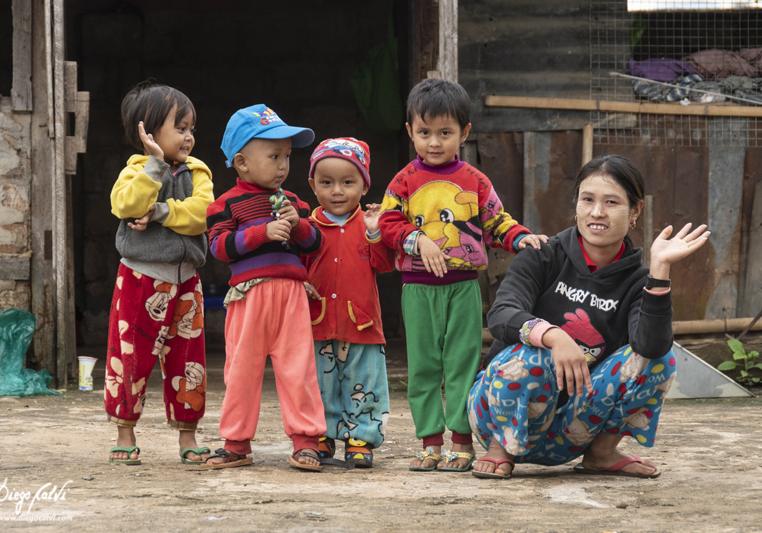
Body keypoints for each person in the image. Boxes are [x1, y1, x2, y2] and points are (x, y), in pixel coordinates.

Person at [468, 154, 709, 479]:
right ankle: (500, 448)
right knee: (535, 355)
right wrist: (554, 336)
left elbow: (651, 348)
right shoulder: (542, 255)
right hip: (497, 416)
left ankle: (601, 453)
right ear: (577, 204)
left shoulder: (638, 282)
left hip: (571, 433)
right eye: (588, 200)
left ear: (635, 211)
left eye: (611, 202)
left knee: (661, 360)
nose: (597, 212)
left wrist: (659, 272)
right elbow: (501, 314)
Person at [377, 78, 547, 472]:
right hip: (417, 288)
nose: (433, 142)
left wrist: (522, 238)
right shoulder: (403, 181)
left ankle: (461, 440)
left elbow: (496, 222)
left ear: (464, 133)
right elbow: (387, 223)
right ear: (410, 133)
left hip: (463, 288)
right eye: (424, 133)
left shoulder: (475, 181)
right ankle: (429, 441)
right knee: (423, 366)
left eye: (445, 133)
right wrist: (417, 240)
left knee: (462, 365)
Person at [203, 104, 326, 472]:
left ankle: (307, 442)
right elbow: (219, 247)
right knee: (241, 371)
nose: (284, 165)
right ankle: (236, 443)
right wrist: (262, 233)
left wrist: (299, 225)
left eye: (287, 156)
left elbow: (316, 244)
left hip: (291, 297)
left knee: (299, 369)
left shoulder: (294, 202)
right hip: (249, 297)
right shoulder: (225, 205)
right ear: (241, 163)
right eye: (274, 156)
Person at [106, 82, 214, 466]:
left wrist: (163, 213)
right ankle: (125, 432)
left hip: (187, 282)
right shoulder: (135, 171)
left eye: (191, 128)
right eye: (180, 127)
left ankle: (188, 437)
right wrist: (153, 165)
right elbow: (128, 205)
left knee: (189, 363)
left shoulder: (198, 171)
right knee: (130, 358)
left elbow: (203, 213)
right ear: (148, 133)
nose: (189, 136)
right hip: (140, 278)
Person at [302, 138, 396, 468]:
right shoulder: (308, 227)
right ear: (313, 185)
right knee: (320, 382)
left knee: (364, 382)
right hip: (318, 322)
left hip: (363, 323)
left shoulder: (369, 224)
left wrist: (374, 234)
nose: (337, 191)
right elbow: (296, 265)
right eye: (327, 183)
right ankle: (322, 435)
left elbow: (385, 265)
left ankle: (361, 438)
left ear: (364, 185)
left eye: (347, 182)